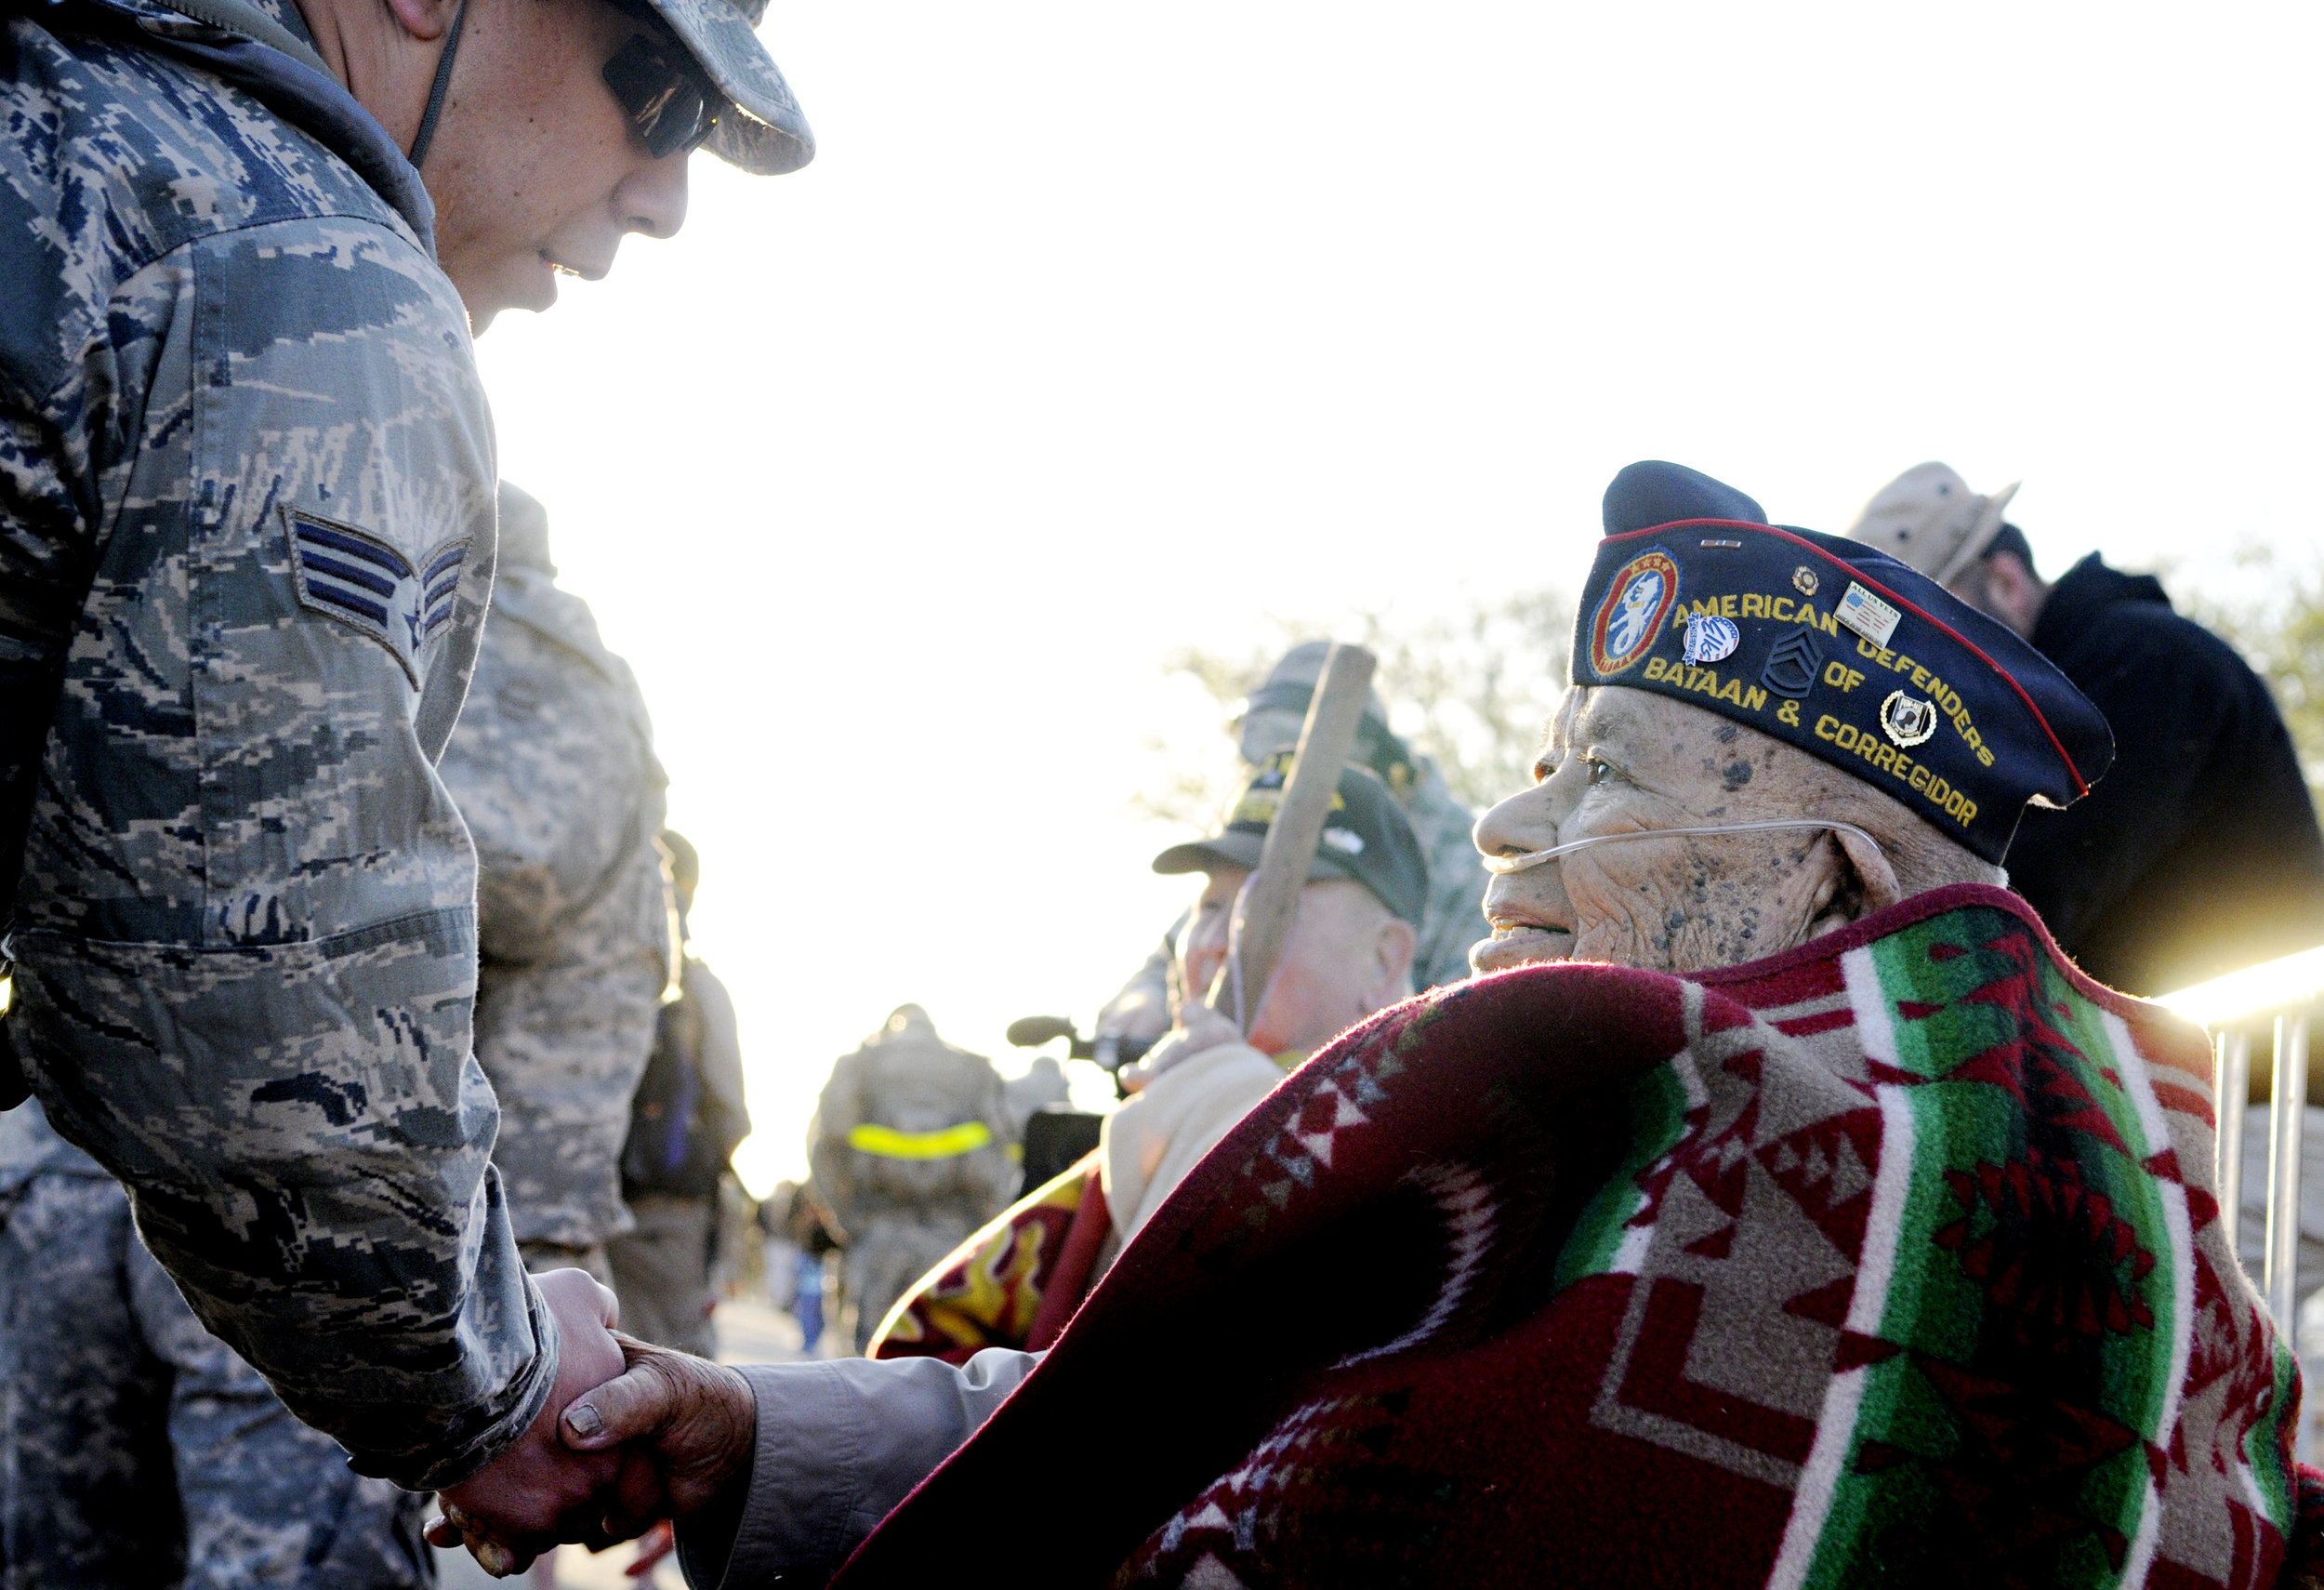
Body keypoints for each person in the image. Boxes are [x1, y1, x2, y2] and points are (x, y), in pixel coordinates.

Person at [472, 464, 2306, 1587]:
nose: (1508, 834)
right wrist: (753, 1434)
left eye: (1603, 781)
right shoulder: (1578, 1151)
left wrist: (1208, 1142)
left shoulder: (1957, 1225)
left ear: (1830, 887)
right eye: (1531, 765)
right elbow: (1288, 1415)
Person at [0, 0, 808, 1546]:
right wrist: (495, 1392)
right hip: (299, 1277)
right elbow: (255, 994)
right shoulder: (302, 273)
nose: (668, 195)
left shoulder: (81, 114)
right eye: (656, 91)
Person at [870, 760, 1428, 1362]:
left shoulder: (1422, 1158)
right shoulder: (1138, 1130)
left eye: (1270, 911)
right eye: (1211, 907)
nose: (1220, 943)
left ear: (1383, 961)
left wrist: (1231, 1109)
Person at [1848, 461, 2324, 995]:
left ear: (2006, 583)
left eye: (1935, 630)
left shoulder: (2150, 666)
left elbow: (2013, 912)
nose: (1921, 667)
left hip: (2263, 1068)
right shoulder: (2087, 681)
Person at [437, 483, 678, 1284]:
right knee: (548, 1254)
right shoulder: (593, 659)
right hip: (591, 985)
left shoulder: (445, 624)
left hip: (489, 974)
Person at [1096, 642, 1485, 1049]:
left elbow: (1468, 1022)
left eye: (1310, 750)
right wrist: (1143, 1003)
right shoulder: (1260, 839)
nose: (1289, 772)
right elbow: (1193, 944)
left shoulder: (1465, 864)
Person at [608, 830, 752, 1358]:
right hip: (667, 1209)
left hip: (564, 1202)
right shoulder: (695, 987)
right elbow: (731, 1108)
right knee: (676, 1360)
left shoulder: (559, 971)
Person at [806, 1008, 1019, 1353]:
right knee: (944, 1356)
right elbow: (1004, 1155)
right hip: (954, 1240)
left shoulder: (859, 1066)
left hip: (877, 1233)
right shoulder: (974, 1071)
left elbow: (823, 1149)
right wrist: (982, 1228)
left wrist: (849, 1221)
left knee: (868, 1358)